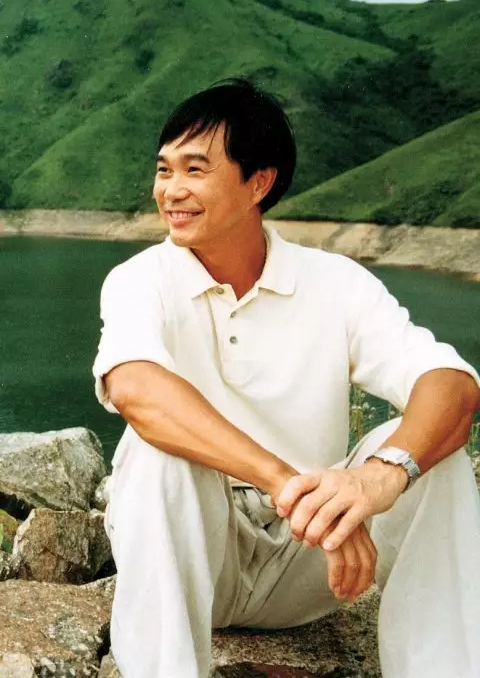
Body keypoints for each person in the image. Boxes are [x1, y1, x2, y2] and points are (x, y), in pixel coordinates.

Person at [93, 79, 480, 678]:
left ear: (259, 183)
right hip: (201, 557)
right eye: (164, 170)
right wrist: (284, 482)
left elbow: (452, 385)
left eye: (195, 169)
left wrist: (378, 478)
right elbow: (136, 390)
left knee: (430, 455)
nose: (170, 190)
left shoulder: (336, 282)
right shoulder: (139, 280)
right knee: (158, 452)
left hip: (314, 561)